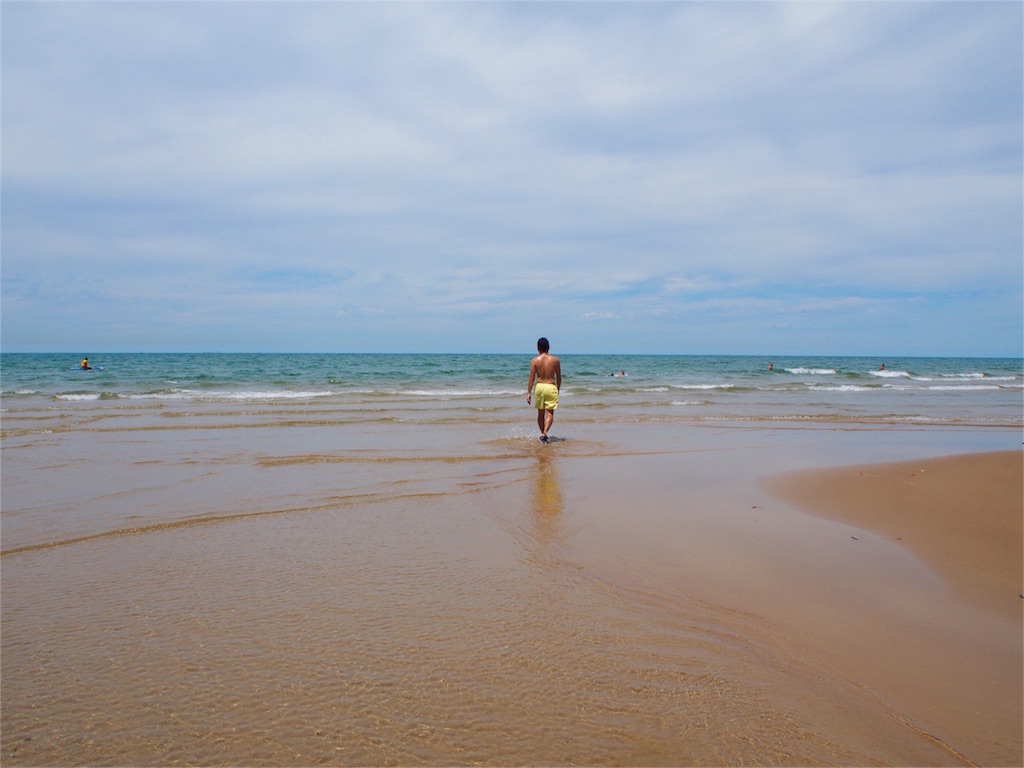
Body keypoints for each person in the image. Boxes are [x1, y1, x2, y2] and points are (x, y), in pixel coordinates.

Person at [527, 337, 561, 443]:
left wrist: (529, 392)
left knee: (540, 413)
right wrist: (557, 389)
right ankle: (545, 432)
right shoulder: (555, 360)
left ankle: (542, 434)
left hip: (540, 387)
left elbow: (532, 378)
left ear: (538, 348)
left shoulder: (534, 361)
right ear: (549, 347)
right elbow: (559, 377)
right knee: (550, 413)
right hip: (551, 386)